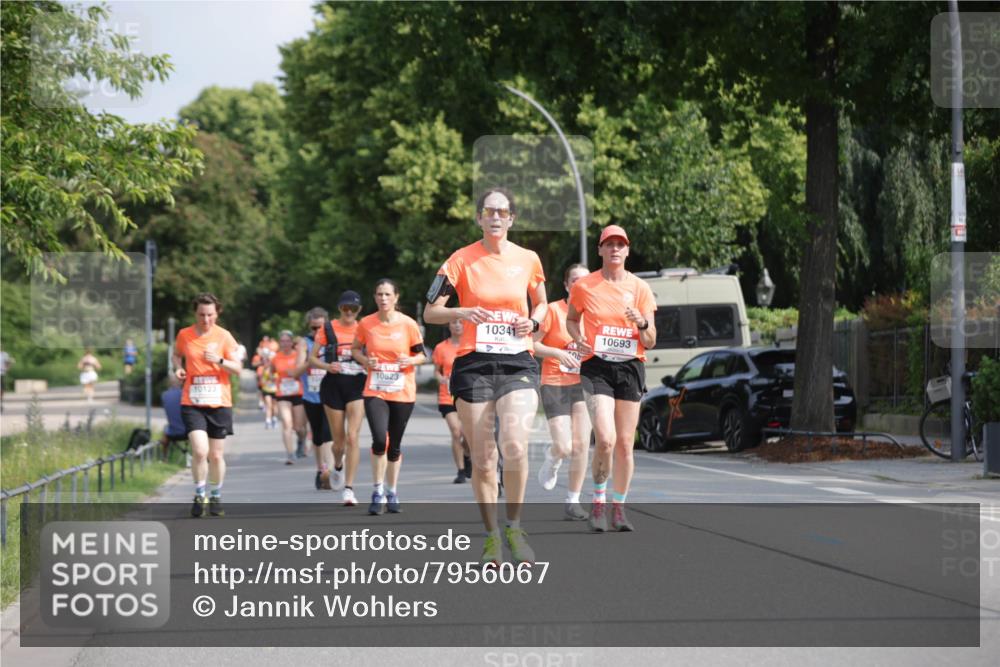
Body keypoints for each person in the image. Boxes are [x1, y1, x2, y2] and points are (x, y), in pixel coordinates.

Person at [424, 187, 547, 565]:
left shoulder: (528, 259)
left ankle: (515, 527)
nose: (496, 217)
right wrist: (462, 313)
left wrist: (534, 321)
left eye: (503, 211)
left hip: (517, 362)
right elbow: (431, 312)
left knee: (514, 444)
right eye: (489, 211)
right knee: (482, 459)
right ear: (479, 218)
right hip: (474, 363)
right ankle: (492, 535)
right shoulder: (460, 261)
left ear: (511, 219)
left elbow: (541, 302)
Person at [566, 225, 657, 532]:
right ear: (601, 250)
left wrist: (642, 322)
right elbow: (571, 320)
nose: (615, 248)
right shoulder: (585, 286)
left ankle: (618, 508)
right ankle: (598, 500)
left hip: (631, 367)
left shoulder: (641, 288)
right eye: (610, 244)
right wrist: (578, 338)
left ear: (627, 251)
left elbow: (652, 339)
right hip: (597, 366)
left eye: (621, 244)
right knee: (605, 439)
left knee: (624, 445)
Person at [351, 279, 425, 515]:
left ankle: (392, 491)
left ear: (396, 297)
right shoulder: (366, 324)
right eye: (379, 294)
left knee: (394, 446)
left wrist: (410, 360)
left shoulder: (408, 324)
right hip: (375, 389)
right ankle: (377, 490)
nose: (383, 298)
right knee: (379, 440)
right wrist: (365, 360)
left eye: (387, 294)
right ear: (375, 298)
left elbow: (422, 355)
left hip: (402, 390)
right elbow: (354, 350)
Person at [172, 293, 242, 518]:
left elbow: (238, 369)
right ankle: (199, 493)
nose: (206, 319)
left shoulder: (224, 336)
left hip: (219, 402)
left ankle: (216, 495)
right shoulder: (185, 334)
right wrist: (178, 368)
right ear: (196, 313)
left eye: (210, 315)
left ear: (217, 313)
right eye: (201, 314)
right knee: (200, 451)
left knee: (216, 455)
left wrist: (219, 360)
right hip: (192, 401)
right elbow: (176, 355)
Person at [532, 264, 592, 520]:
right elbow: (531, 344)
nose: (580, 285)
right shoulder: (554, 311)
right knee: (565, 446)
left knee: (581, 446)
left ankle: (573, 501)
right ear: (567, 285)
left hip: (584, 384)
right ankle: (553, 457)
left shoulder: (594, 315)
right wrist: (558, 353)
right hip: (555, 381)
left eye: (585, 281)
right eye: (575, 281)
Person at [309, 290, 368, 506]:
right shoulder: (328, 328)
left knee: (353, 436)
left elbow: (374, 352)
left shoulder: (365, 328)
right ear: (340, 308)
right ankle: (338, 464)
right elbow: (312, 358)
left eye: (353, 308)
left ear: (359, 309)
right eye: (345, 308)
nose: (349, 312)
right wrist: (327, 365)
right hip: (333, 385)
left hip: (357, 384)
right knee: (339, 442)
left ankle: (349, 489)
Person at [300, 307, 334, 490]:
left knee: (329, 434)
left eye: (320, 328)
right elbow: (294, 371)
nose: (317, 332)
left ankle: (327, 471)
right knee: (318, 436)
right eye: (314, 328)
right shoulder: (304, 343)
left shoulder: (332, 342)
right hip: (311, 396)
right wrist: (310, 360)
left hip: (330, 393)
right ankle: (320, 469)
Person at [433, 320, 471, 483]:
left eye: (461, 322)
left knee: (468, 435)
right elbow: (437, 370)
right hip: (447, 396)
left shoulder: (470, 345)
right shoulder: (441, 347)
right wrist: (441, 378)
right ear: (448, 326)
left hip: (467, 395)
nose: (457, 325)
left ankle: (468, 455)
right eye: (454, 322)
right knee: (456, 432)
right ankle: (461, 471)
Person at [270, 330, 308, 465]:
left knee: (299, 427)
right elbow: (270, 372)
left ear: (292, 343)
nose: (285, 343)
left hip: (298, 393)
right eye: (282, 341)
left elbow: (305, 370)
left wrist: (296, 373)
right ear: (279, 343)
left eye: (287, 341)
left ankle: (301, 441)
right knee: (287, 423)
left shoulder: (298, 355)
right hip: (283, 394)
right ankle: (290, 454)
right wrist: (272, 378)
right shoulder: (276, 357)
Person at [158, 375, 188, 463]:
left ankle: (164, 458)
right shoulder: (185, 394)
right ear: (181, 382)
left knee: (165, 431)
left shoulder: (164, 395)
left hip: (172, 432)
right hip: (187, 431)